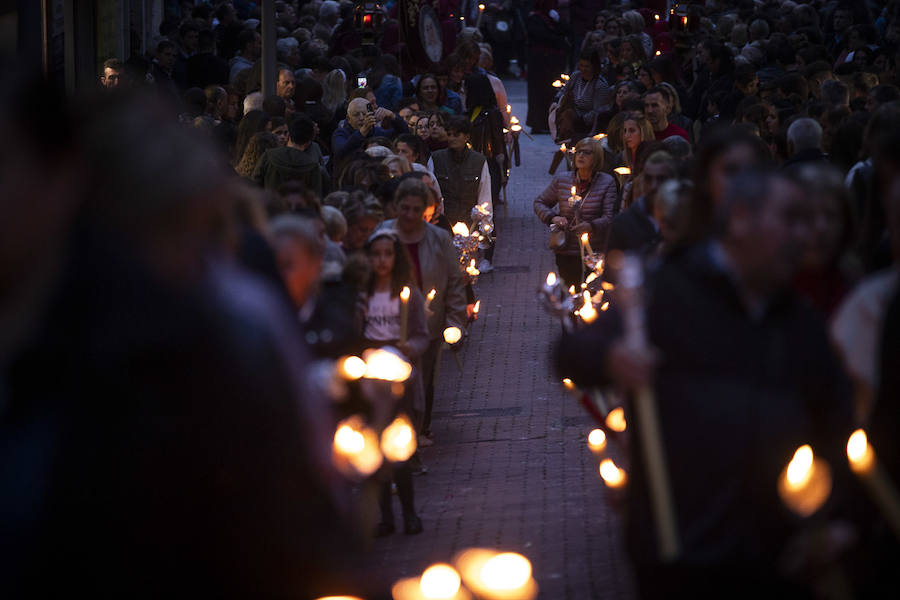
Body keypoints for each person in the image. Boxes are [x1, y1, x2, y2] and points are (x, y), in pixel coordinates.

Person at [556, 169, 852, 599]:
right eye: (791, 219)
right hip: (683, 549)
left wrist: (838, 518)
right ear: (740, 220)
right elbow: (570, 354)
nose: (804, 236)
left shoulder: (798, 319)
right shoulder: (671, 290)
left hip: (779, 553)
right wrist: (611, 356)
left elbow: (836, 421)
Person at [379, 179, 467, 440]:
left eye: (416, 210)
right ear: (396, 207)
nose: (409, 215)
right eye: (404, 208)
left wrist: (455, 322)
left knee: (423, 380)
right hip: (387, 323)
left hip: (428, 324)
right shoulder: (383, 235)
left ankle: (417, 431)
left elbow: (453, 283)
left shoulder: (438, 239)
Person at [360, 230, 428, 536]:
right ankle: (385, 516)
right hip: (369, 380)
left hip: (397, 379)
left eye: (388, 254)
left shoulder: (407, 293)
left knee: (397, 448)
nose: (382, 260)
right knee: (375, 451)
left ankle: (410, 513)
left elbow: (421, 334)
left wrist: (410, 347)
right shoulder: (362, 295)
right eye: (376, 255)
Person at [534, 136, 617, 287]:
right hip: (566, 251)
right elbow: (540, 203)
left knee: (591, 295)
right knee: (571, 295)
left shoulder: (606, 182)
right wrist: (554, 218)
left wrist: (590, 226)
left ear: (597, 157)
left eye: (587, 152)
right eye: (578, 152)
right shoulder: (563, 180)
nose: (581, 156)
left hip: (593, 252)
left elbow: (609, 217)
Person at [428, 116, 493, 265]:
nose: (451, 138)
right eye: (449, 134)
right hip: (444, 224)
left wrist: (485, 228)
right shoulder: (436, 159)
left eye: (456, 134)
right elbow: (431, 193)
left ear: (467, 137)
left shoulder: (479, 161)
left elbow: (485, 195)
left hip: (469, 223)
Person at [606, 151, 677, 260]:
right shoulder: (624, 223)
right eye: (649, 179)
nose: (654, 186)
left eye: (661, 179)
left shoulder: (684, 221)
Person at [332, 98, 409, 181]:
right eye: (356, 114)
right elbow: (341, 152)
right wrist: (362, 132)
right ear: (348, 118)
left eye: (365, 114)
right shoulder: (341, 133)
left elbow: (404, 135)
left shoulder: (376, 132)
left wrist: (393, 116)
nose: (361, 118)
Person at [253, 114, 323, 196]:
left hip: (271, 206)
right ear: (309, 141)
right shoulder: (313, 167)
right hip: (298, 208)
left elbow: (255, 184)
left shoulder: (268, 156)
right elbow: (316, 197)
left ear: (289, 135)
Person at [526, 0, 568, 135]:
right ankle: (537, 123)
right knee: (538, 94)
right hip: (539, 63)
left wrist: (558, 21)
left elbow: (565, 31)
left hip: (553, 63)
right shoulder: (535, 18)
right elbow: (539, 36)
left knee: (552, 93)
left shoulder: (555, 19)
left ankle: (551, 123)